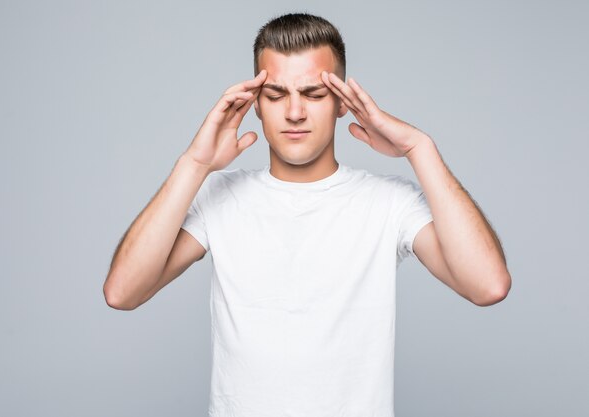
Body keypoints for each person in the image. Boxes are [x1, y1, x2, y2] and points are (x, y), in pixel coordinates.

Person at [103, 12, 512, 417]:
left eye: (314, 95)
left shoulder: (389, 202)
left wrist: (420, 149)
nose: (295, 112)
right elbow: (122, 292)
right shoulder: (218, 196)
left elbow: (488, 285)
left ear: (341, 104)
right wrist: (194, 164)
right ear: (255, 106)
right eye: (276, 95)